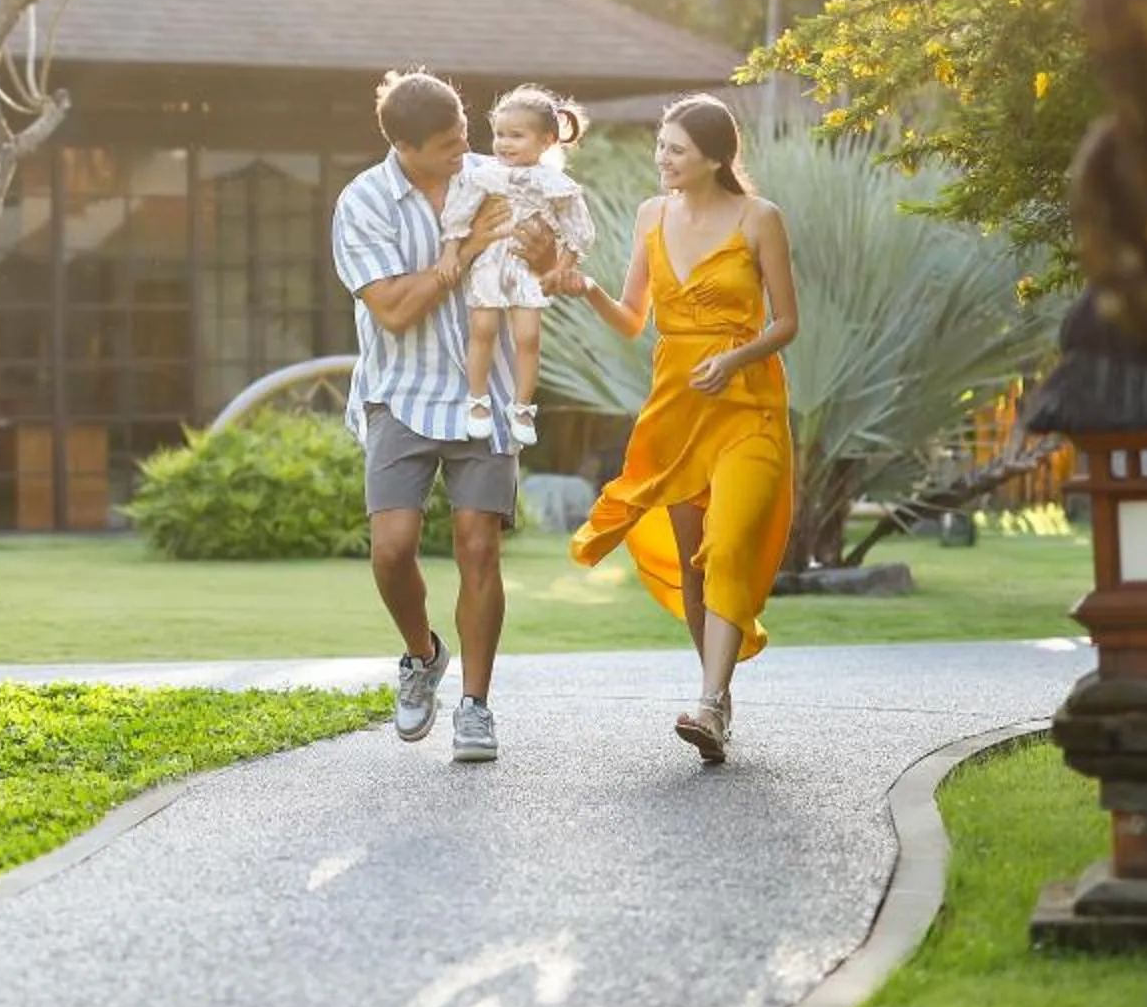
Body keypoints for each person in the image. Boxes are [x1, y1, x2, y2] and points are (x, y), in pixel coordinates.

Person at [552, 93, 800, 765]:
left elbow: (786, 323)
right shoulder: (650, 216)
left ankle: (710, 702)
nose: (662, 158)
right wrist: (587, 290)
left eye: (676, 149)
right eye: (660, 145)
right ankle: (715, 699)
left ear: (715, 158)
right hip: (677, 408)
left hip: (747, 404)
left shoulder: (760, 218)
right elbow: (633, 318)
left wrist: (735, 358)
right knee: (694, 564)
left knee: (728, 542)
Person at [330, 68, 521, 764]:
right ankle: (422, 654)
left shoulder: (494, 180)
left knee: (478, 545)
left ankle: (475, 707)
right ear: (404, 147)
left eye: (464, 133)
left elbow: (548, 253)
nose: (463, 148)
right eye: (447, 143)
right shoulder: (364, 202)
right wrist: (463, 254)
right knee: (392, 548)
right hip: (399, 393)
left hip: (484, 391)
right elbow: (393, 309)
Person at [439, 86, 596, 447]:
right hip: (490, 262)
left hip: (527, 267)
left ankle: (522, 406)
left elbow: (579, 230)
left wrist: (562, 267)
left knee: (528, 337)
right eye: (499, 134)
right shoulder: (484, 176)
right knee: (482, 329)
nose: (504, 143)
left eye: (516, 135)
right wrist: (450, 252)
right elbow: (458, 214)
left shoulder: (556, 184)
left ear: (547, 140)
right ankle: (477, 399)